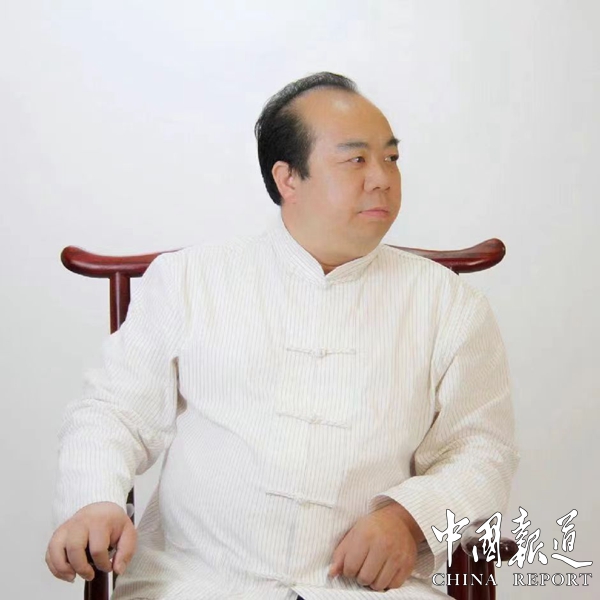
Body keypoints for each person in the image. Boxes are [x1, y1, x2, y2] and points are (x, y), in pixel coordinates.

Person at [46, 72, 519, 599]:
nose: (382, 178)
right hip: (199, 582)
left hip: (369, 590)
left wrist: (408, 519)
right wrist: (94, 501)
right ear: (288, 178)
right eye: (356, 159)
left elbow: (482, 452)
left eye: (391, 158)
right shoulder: (190, 280)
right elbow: (113, 411)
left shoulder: (449, 305)